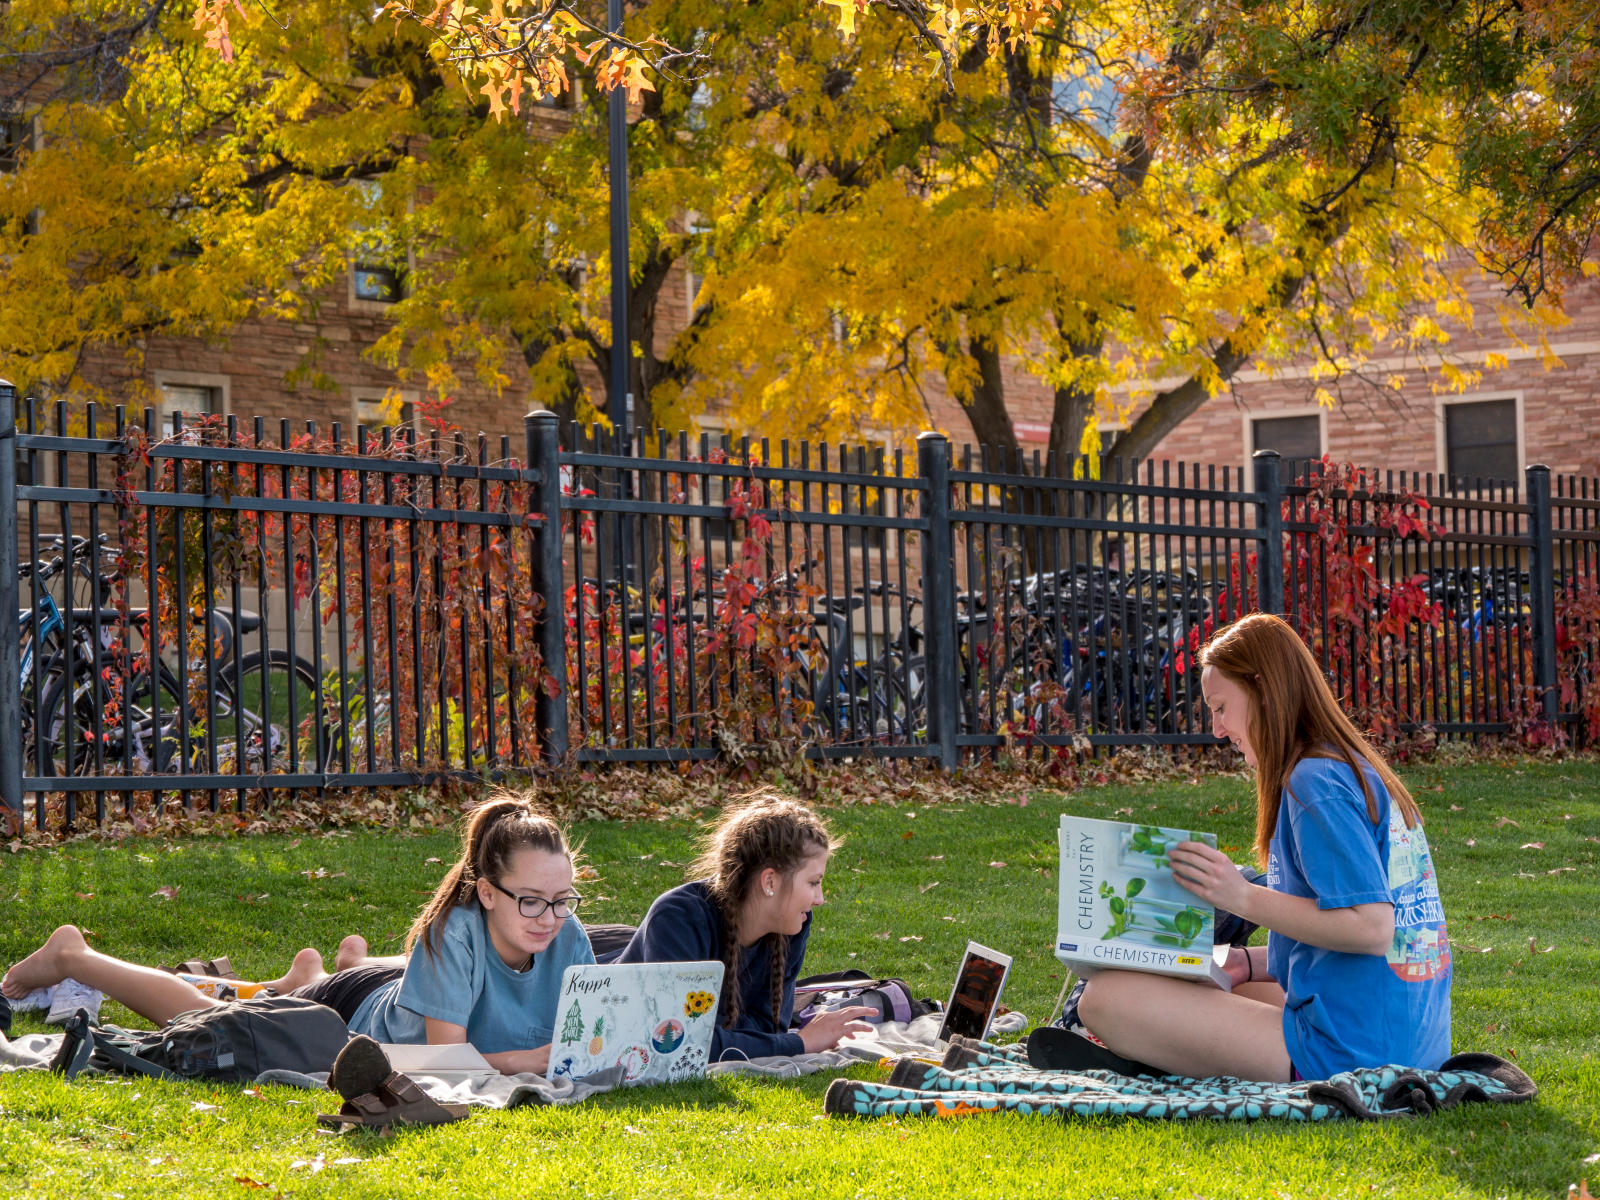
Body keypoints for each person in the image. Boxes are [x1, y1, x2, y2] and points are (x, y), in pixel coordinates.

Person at [1074, 612, 1452, 1082]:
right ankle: (1159, 1044)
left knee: (1105, 998)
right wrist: (1244, 961)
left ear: (1262, 690)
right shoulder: (1346, 765)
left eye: (1220, 707)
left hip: (1356, 1053)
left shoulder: (1313, 782)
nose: (1216, 728)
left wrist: (1240, 896)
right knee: (1200, 988)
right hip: (1407, 1037)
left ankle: (1146, 1052)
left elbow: (1373, 929)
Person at [2, 791, 593, 1077]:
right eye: (532, 901)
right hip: (354, 1016)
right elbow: (446, 1060)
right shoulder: (455, 934)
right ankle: (74, 954)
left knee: (283, 996)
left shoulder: (568, 937)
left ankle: (309, 974)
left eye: (563, 900)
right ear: (487, 893)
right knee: (210, 1015)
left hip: (390, 983)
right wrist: (533, 1060)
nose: (550, 916)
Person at [605, 791, 875, 1060]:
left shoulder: (794, 924)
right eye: (814, 882)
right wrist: (801, 1044)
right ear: (770, 882)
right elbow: (677, 1042)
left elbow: (770, 1029)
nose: (820, 899)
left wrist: (722, 1035)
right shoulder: (678, 919)